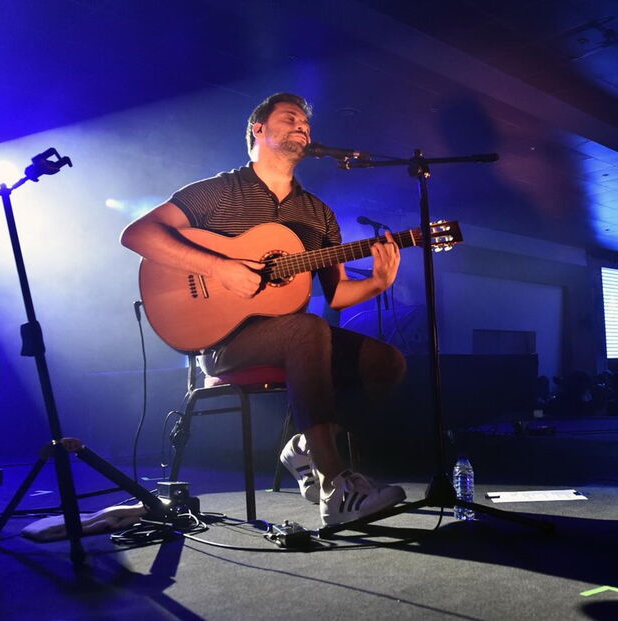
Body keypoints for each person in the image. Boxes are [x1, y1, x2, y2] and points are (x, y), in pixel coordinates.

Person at [121, 92, 407, 524]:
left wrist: (379, 281)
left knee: (387, 362)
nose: (303, 127)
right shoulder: (220, 191)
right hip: (224, 340)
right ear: (258, 129)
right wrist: (221, 267)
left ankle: (306, 447)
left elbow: (337, 295)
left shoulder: (318, 213)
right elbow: (139, 234)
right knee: (307, 328)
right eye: (290, 118)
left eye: (306, 124)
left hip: (296, 336)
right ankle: (335, 486)